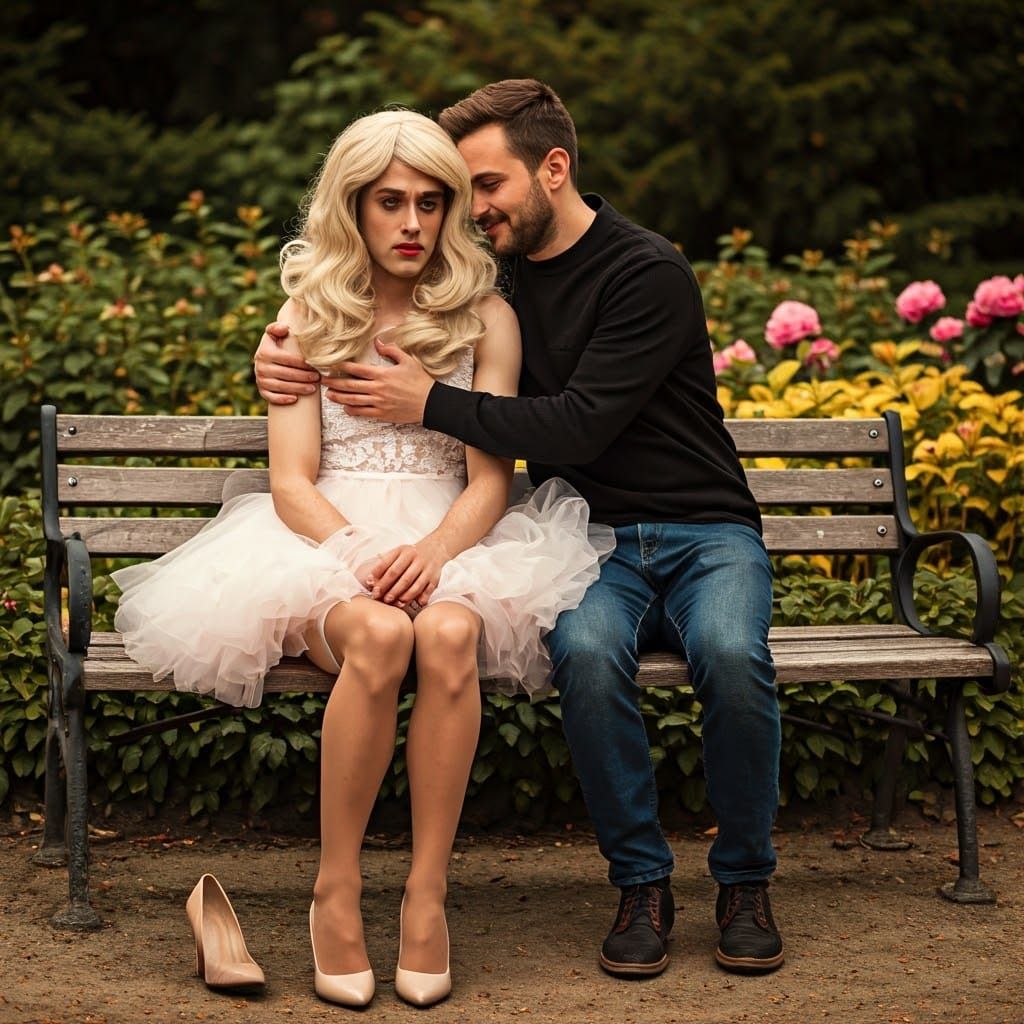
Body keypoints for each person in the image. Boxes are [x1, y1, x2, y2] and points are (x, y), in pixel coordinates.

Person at [254, 80, 784, 977]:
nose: (464, 213)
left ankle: (744, 880)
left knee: (732, 656)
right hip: (595, 539)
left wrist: (429, 403)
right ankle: (641, 885)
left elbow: (571, 426)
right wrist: (281, 346)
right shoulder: (499, 278)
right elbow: (355, 347)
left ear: (554, 168)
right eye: (455, 195)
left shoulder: (642, 271)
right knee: (580, 652)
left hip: (701, 528)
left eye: (476, 191)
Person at [113, 109, 613, 1007]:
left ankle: (427, 897)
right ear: (355, 208)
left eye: (431, 201)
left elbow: (490, 480)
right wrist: (357, 552)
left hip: (455, 539)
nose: (413, 223)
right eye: (390, 202)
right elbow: (293, 479)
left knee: (451, 637)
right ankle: (335, 892)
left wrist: (433, 551)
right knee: (381, 638)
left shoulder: (486, 317)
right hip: (319, 542)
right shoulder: (308, 314)